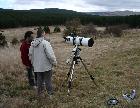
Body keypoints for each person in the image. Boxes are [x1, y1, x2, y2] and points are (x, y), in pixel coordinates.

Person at [29, 28, 57, 96]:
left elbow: (30, 55)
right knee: (48, 81)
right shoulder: (45, 43)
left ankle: (40, 94)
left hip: (37, 67)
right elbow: (50, 55)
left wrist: (33, 64)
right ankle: (50, 95)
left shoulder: (32, 44)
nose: (45, 34)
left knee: (39, 81)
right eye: (44, 33)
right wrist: (54, 62)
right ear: (42, 34)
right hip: (46, 67)